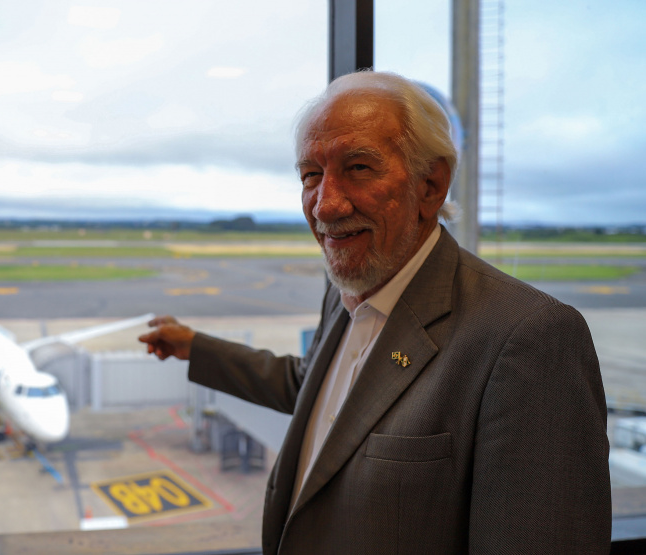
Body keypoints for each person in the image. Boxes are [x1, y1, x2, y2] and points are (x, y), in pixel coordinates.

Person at [139, 70, 611, 554]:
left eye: (358, 168)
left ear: (431, 186)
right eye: (311, 175)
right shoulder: (349, 286)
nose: (326, 206)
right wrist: (195, 348)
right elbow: (317, 393)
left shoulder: (529, 339)